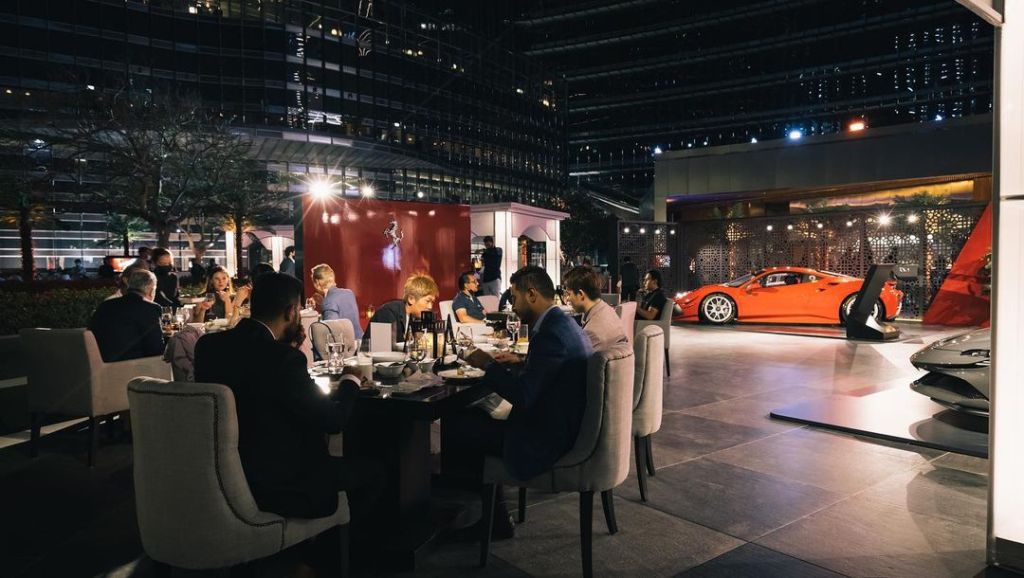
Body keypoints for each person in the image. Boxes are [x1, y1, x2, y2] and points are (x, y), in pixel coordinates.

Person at [193, 273, 383, 547]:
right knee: (375, 473)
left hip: (222, 479)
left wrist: (285, 350)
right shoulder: (283, 359)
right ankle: (326, 555)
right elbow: (334, 420)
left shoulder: (208, 347)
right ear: (292, 311)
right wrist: (351, 380)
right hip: (281, 486)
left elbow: (255, 386)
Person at [455, 266, 593, 537]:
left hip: (546, 439)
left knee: (462, 425)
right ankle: (490, 511)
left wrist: (487, 365)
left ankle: (493, 520)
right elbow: (550, 371)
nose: (513, 306)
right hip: (565, 424)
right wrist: (522, 360)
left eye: (515, 297)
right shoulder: (564, 324)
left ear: (531, 295)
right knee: (476, 415)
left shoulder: (550, 334)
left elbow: (523, 396)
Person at [88, 269, 164, 362]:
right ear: (150, 289)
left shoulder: (106, 305)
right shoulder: (149, 308)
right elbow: (155, 348)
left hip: (98, 361)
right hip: (130, 364)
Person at [562, 265, 628, 351]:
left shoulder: (591, 333)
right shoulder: (607, 309)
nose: (567, 299)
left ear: (581, 294)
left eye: (568, 294)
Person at [363, 274, 438, 346]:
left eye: (432, 302)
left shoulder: (414, 318)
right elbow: (382, 350)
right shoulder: (387, 313)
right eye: (427, 301)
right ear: (411, 299)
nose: (430, 307)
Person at [311, 263, 364, 340]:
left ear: (317, 283)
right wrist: (323, 303)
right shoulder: (349, 293)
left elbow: (331, 334)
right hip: (361, 342)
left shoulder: (328, 302)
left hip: (346, 345)